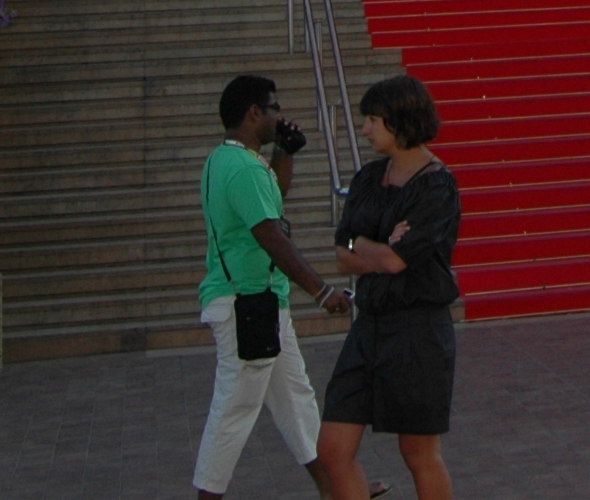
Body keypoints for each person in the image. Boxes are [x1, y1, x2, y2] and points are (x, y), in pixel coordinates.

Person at [196, 75, 357, 500]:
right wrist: (322, 291)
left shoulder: (227, 161)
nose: (277, 116)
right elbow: (271, 234)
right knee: (235, 409)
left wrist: (285, 151)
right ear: (253, 113)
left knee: (296, 399)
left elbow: (275, 196)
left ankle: (335, 487)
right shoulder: (245, 168)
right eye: (272, 109)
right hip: (246, 304)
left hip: (261, 303)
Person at [322, 74, 463, 500]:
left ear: (401, 123)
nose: (365, 129)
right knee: (332, 449)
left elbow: (397, 261)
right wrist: (371, 246)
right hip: (370, 326)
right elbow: (343, 252)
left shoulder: (437, 185)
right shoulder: (369, 177)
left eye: (373, 120)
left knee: (418, 451)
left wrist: (363, 246)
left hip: (418, 331)